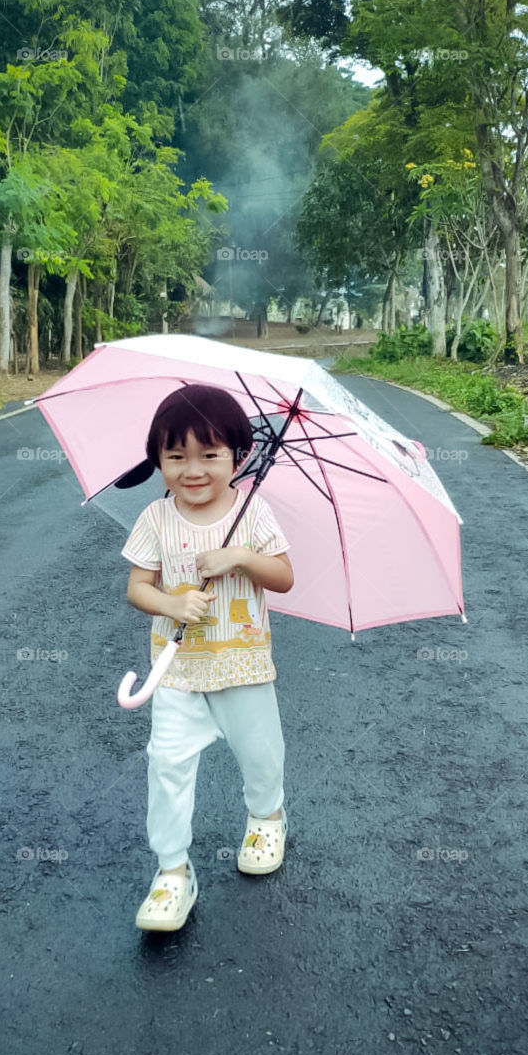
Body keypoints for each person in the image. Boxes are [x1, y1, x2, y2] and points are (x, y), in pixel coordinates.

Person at [121, 384, 294, 932]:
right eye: (176, 457)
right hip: (178, 670)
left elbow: (285, 578)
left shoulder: (253, 512)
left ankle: (267, 817)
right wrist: (172, 602)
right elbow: (137, 587)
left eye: (210, 455)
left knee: (260, 752)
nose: (192, 470)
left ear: (237, 456)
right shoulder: (156, 518)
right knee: (166, 764)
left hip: (242, 664)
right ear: (158, 460)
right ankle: (173, 870)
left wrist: (241, 556)